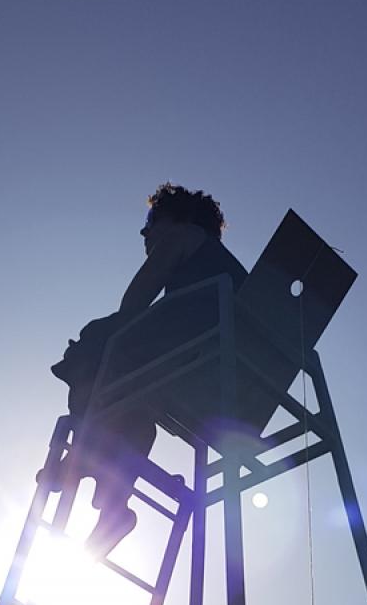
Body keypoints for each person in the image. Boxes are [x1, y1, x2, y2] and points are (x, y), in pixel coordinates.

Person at [43, 182, 248, 560]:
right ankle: (112, 503)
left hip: (186, 361)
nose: (145, 230)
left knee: (96, 341)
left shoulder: (185, 237)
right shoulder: (234, 275)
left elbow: (133, 306)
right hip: (229, 391)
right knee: (134, 405)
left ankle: (81, 460)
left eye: (152, 219)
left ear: (180, 219)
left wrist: (96, 338)